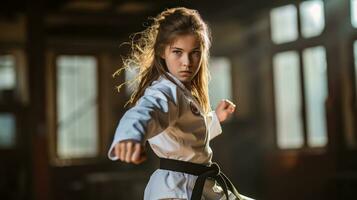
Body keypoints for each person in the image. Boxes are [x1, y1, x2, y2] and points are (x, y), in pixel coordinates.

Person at [108, 7, 253, 200]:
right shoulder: (165, 92)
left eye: (195, 53)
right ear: (161, 51)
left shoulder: (183, 93)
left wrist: (215, 118)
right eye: (177, 52)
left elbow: (186, 136)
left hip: (199, 185)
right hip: (176, 191)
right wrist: (130, 135)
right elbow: (147, 111)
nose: (187, 62)